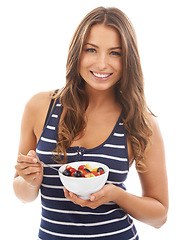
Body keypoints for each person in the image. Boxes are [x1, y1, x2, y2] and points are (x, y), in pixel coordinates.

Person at [13, 6, 168, 240]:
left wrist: (117, 195)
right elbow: (22, 193)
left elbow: (159, 217)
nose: (102, 64)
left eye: (115, 53)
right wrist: (31, 181)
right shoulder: (40, 107)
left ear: (128, 59)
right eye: (91, 50)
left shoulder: (140, 122)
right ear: (78, 52)